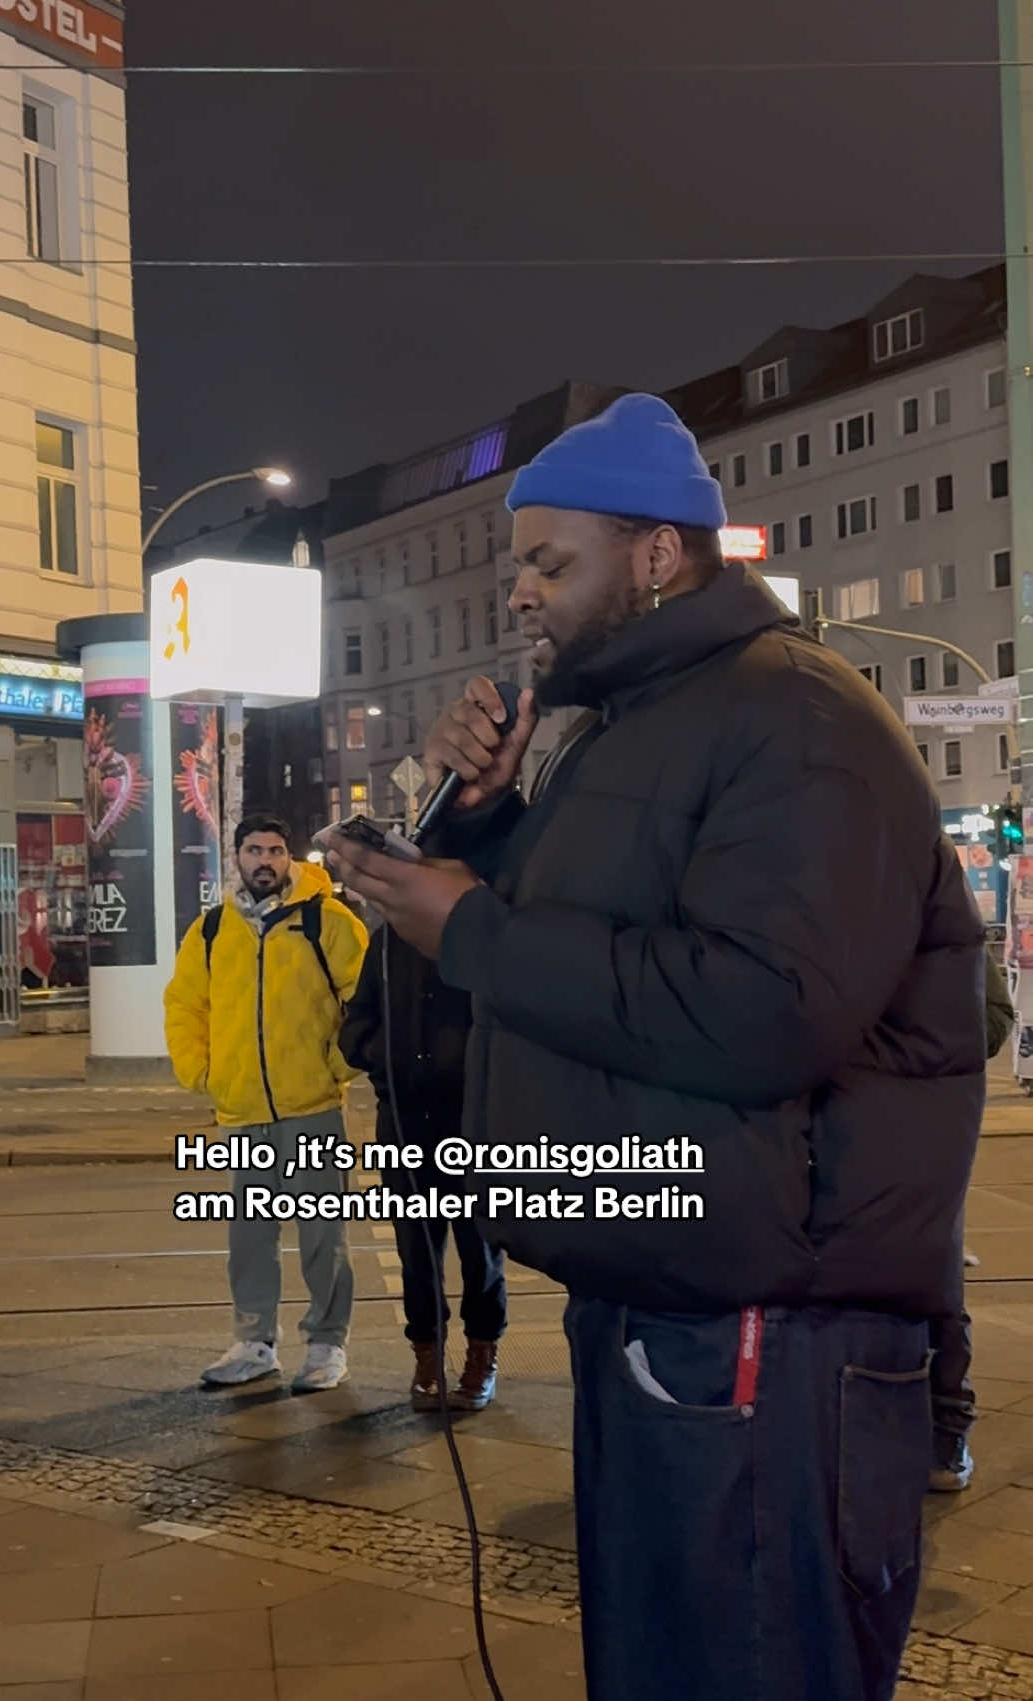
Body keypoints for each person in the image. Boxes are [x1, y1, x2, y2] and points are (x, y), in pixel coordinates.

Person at [320, 393, 984, 1701]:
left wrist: (468, 922)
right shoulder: (632, 733)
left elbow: (759, 1012)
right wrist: (476, 830)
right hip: (665, 1301)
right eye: (517, 564)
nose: (517, 594)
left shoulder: (796, 720)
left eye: (548, 563)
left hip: (768, 1333)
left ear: (658, 555)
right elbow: (591, 957)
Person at [165, 814, 368, 1393]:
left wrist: (335, 1066)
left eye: (276, 850)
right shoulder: (210, 930)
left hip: (312, 1105)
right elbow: (185, 1005)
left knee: (322, 1235)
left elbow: (366, 1004)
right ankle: (255, 1342)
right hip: (243, 1108)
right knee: (250, 1232)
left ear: (289, 857)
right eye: (254, 850)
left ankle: (327, 1344)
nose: (264, 861)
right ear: (235, 856)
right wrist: (203, 1072)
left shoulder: (327, 922)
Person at [338, 919, 507, 1410]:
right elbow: (357, 1023)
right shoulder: (387, 942)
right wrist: (380, 1054)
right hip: (406, 1118)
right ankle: (427, 1354)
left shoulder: (483, 935)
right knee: (416, 1247)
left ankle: (482, 1355)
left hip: (474, 1121)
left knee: (480, 1246)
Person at [929, 949, 1016, 1492]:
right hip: (838, 1131)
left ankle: (945, 1430)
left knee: (935, 1285)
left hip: (927, 1128)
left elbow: (991, 1022)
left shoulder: (946, 921)